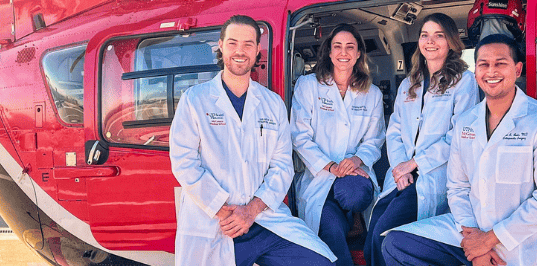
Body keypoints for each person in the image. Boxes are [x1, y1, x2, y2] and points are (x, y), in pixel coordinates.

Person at [382, 34, 537, 266]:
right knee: (396, 244)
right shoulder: (465, 123)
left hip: (519, 242)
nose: (491, 72)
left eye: (500, 63)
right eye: (483, 64)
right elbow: (457, 187)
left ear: (518, 69)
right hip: (469, 230)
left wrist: (490, 239)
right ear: (476, 72)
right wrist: (475, 242)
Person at [170, 15, 335, 266]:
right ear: (221, 46)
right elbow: (184, 162)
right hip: (215, 222)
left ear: (258, 50)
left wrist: (251, 210)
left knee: (322, 262)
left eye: (248, 44)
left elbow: (282, 165)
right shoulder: (195, 100)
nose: (240, 51)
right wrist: (222, 208)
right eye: (233, 43)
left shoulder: (272, 103)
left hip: (263, 220)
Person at [365, 13, 480, 266]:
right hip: (402, 176)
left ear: (450, 41)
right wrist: (399, 167)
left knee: (386, 234)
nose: (431, 41)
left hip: (432, 175)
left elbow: (458, 136)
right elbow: (394, 129)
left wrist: (415, 164)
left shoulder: (464, 82)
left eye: (439, 35)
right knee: (373, 233)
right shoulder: (409, 83)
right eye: (425, 35)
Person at [291, 24, 385, 266]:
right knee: (330, 230)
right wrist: (331, 166)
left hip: (354, 174)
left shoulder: (372, 93)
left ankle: (354, 215)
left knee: (354, 193)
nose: (343, 52)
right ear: (330, 53)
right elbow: (299, 136)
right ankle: (348, 221)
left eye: (350, 47)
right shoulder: (308, 85)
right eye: (338, 47)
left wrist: (356, 160)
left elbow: (375, 139)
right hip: (319, 175)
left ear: (358, 54)